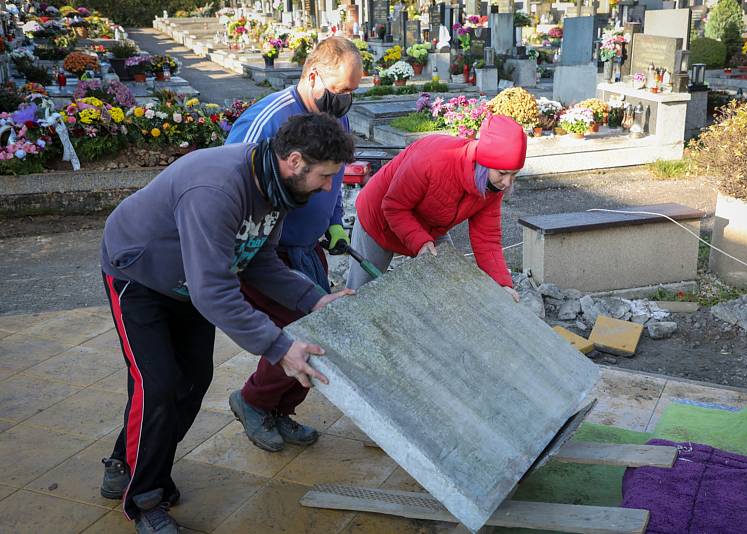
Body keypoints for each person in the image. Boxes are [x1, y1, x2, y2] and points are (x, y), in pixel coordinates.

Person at [98, 114, 354, 534]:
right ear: (294, 161)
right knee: (157, 384)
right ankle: (145, 500)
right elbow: (214, 292)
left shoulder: (277, 189)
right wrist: (279, 346)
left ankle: (128, 464)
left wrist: (315, 299)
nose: (329, 187)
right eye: (325, 176)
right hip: (139, 273)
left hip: (190, 281)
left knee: (194, 380)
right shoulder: (217, 188)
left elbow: (258, 261)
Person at [223, 36, 362, 453]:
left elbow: (334, 179)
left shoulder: (337, 119)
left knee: (320, 332)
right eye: (341, 91)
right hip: (266, 252)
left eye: (353, 93)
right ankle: (252, 401)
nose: (345, 101)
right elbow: (233, 185)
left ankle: (279, 410)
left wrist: (334, 223)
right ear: (314, 76)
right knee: (299, 334)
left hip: (305, 246)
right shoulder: (268, 119)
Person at [346, 114, 526, 300]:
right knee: (363, 293)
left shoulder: (492, 186)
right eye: (503, 173)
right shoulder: (433, 161)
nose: (507, 182)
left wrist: (502, 284)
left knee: (450, 280)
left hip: (428, 224)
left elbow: (486, 239)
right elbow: (394, 207)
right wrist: (421, 242)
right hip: (378, 220)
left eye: (514, 174)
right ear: (484, 162)